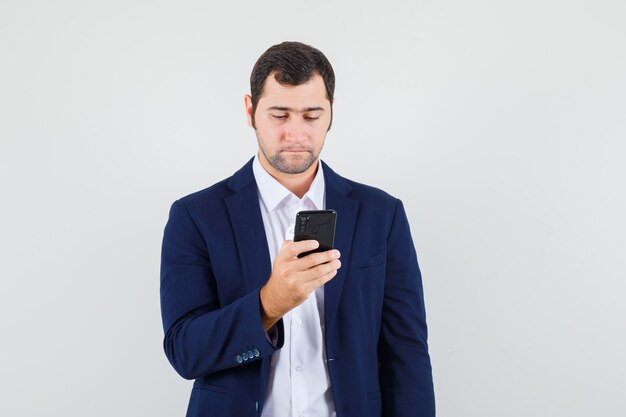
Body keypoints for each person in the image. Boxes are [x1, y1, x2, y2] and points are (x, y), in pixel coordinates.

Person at [160, 41, 435, 417]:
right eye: (280, 115)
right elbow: (185, 351)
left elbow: (407, 352)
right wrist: (269, 304)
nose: (296, 134)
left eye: (311, 115)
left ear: (331, 114)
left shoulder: (381, 214)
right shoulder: (195, 216)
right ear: (250, 111)